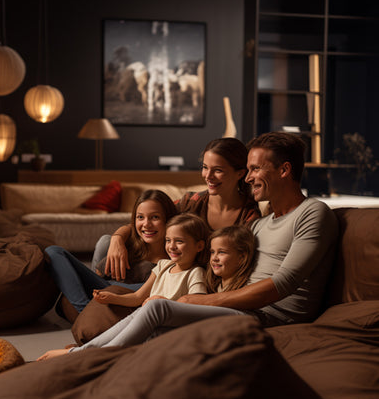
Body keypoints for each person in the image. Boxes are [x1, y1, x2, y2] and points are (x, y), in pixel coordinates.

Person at [83, 131, 338, 335]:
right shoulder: (260, 224)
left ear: (284, 170)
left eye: (255, 169)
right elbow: (155, 219)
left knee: (157, 308)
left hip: (269, 317)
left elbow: (283, 283)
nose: (248, 178)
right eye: (248, 170)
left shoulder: (312, 213)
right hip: (231, 302)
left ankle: (86, 353)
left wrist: (202, 300)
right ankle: (86, 351)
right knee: (151, 305)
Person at [37, 213, 209, 360]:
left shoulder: (195, 273)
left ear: (199, 246)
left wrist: (166, 302)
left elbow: (196, 306)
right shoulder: (163, 265)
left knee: (126, 338)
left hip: (163, 327)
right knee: (125, 326)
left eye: (179, 241)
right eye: (168, 240)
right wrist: (112, 297)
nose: (171, 246)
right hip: (143, 317)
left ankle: (81, 352)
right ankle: (85, 350)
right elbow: (137, 297)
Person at [100, 137, 261, 281]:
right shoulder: (190, 202)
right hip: (169, 271)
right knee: (105, 242)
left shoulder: (249, 217)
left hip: (193, 282)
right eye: (205, 167)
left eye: (217, 170)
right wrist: (117, 239)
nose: (208, 176)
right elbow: (149, 222)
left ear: (240, 173)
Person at [44, 189, 177, 318]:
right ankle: (84, 312)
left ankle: (84, 313)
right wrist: (117, 238)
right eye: (140, 217)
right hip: (104, 288)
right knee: (54, 252)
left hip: (127, 296)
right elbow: (99, 275)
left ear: (169, 219)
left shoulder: (175, 257)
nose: (146, 224)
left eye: (155, 217)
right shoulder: (130, 245)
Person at [205, 225, 256, 294]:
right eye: (212, 252)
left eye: (221, 252)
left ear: (241, 258)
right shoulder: (215, 287)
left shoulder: (243, 290)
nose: (214, 258)